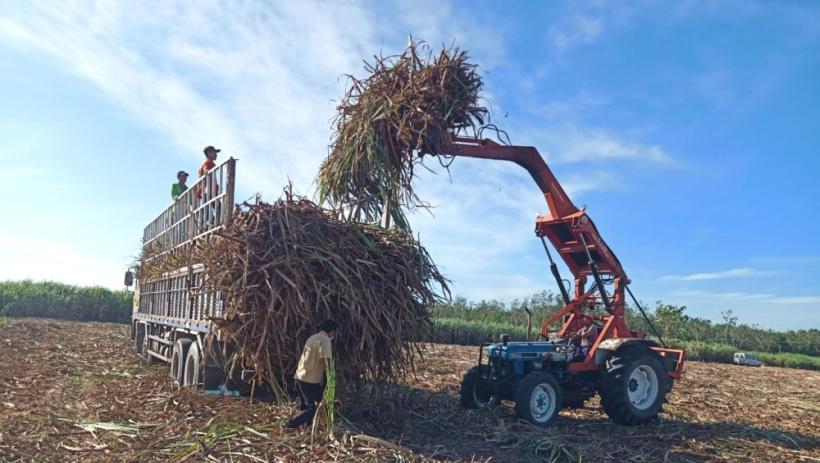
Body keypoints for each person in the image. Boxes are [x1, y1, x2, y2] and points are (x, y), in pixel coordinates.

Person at [283, 320, 338, 429]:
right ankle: (288, 425)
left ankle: (308, 426)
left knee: (305, 406)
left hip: (299, 376)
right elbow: (325, 359)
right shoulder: (325, 340)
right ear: (332, 332)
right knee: (314, 408)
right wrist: (331, 376)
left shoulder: (312, 338)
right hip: (310, 380)